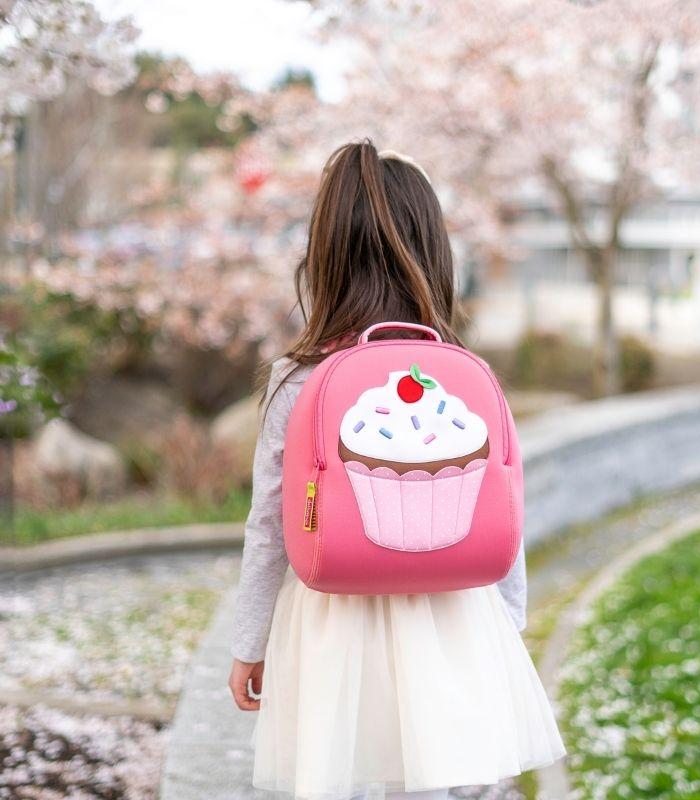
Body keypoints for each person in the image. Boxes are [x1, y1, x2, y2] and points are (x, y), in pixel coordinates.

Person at [228, 140, 565, 800]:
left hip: (331, 626)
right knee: (438, 780)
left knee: (342, 774)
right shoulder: (467, 378)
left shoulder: (297, 381)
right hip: (450, 617)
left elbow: (270, 526)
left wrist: (250, 642)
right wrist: (507, 625)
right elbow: (504, 505)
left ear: (323, 255)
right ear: (436, 255)